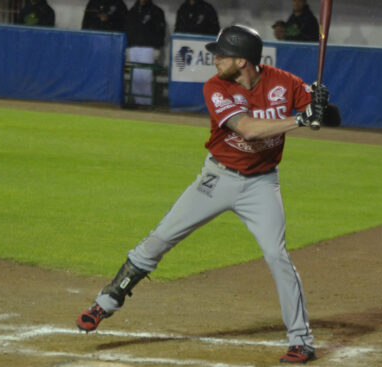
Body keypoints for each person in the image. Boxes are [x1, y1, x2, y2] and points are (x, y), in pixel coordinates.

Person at [76, 24, 335, 364]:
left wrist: (321, 103)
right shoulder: (216, 87)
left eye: (222, 54)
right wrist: (299, 120)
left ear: (243, 60)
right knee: (162, 237)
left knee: (277, 256)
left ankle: (301, 341)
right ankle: (105, 302)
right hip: (217, 178)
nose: (215, 59)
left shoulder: (283, 81)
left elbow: (328, 118)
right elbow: (247, 129)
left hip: (261, 184)